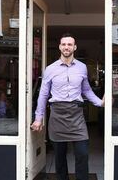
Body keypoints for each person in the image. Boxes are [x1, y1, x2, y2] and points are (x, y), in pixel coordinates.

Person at [31, 33, 104, 180]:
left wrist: (100, 103)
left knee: (82, 154)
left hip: (77, 114)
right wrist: (38, 118)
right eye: (64, 44)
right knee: (59, 156)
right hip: (57, 114)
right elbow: (43, 95)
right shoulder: (50, 69)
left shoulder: (82, 68)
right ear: (59, 47)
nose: (66, 47)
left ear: (74, 47)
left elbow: (87, 90)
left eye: (69, 44)